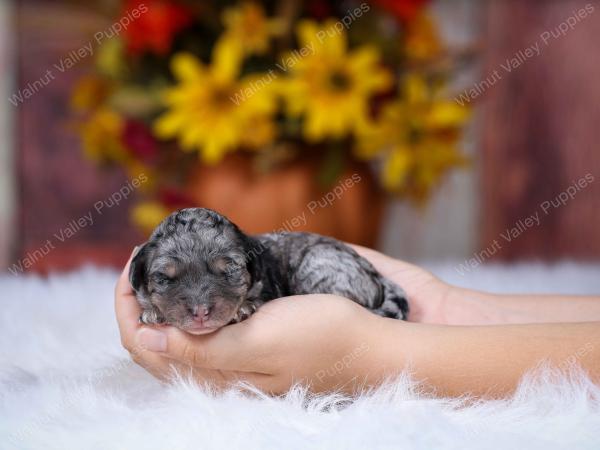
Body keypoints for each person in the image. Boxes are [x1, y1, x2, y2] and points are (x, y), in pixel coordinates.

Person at [115, 245, 600, 398]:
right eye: (168, 281)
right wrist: (442, 306)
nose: (200, 307)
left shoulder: (265, 267)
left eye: (226, 277)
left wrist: (372, 354)